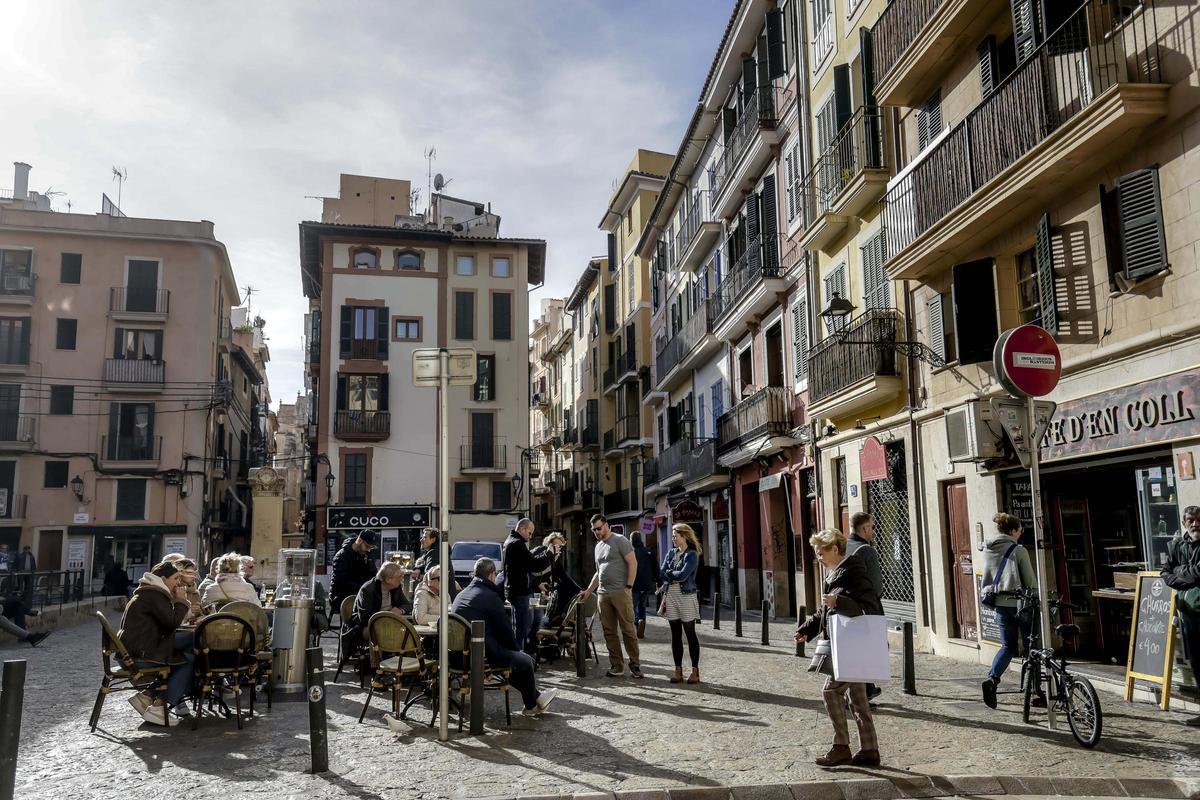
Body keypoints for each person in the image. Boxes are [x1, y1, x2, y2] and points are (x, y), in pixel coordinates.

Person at [795, 528, 884, 767]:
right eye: (816, 553)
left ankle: (841, 746)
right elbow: (825, 611)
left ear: (835, 549)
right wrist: (806, 629)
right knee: (857, 698)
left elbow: (868, 607)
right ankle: (869, 750)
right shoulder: (833, 574)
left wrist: (839, 601)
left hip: (852, 645)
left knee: (830, 691)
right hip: (845, 644)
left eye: (821, 552)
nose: (818, 558)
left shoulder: (854, 572)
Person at [448, 557, 557, 718]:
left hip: (458, 655)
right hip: (480, 655)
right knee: (525, 662)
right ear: (492, 575)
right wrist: (516, 650)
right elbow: (505, 629)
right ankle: (532, 704)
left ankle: (537, 698)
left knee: (514, 664)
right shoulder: (490, 596)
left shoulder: (463, 593)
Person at [119, 561, 194, 725]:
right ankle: (159, 705)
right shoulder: (154, 594)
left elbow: (166, 624)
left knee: (190, 654)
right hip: (142, 652)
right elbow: (172, 622)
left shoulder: (150, 592)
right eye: (175, 578)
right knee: (192, 656)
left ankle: (149, 695)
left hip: (139, 647)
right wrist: (181, 600)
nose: (177, 582)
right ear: (163, 578)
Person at [980, 512, 1039, 710]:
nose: (1021, 534)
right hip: (1021, 605)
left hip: (1000, 604)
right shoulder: (1018, 550)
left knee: (1008, 646)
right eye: (1020, 530)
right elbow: (1030, 581)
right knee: (1033, 648)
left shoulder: (988, 548)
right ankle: (1037, 692)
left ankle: (992, 679)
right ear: (1013, 531)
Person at [579, 514, 641, 679]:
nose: (597, 532)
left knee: (628, 629)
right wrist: (589, 590)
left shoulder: (620, 540)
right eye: (594, 530)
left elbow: (633, 562)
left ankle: (635, 665)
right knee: (609, 632)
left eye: (599, 528)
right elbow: (598, 572)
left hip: (621, 592)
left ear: (606, 525)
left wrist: (628, 587)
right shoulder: (598, 546)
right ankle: (617, 666)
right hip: (603, 594)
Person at [1163, 505, 1200, 727]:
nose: (1195, 524)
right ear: (1184, 523)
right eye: (1190, 520)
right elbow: (1165, 573)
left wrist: (1180, 572)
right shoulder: (1178, 545)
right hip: (1188, 615)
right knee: (1197, 663)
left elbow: (1198, 573)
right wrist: (1184, 574)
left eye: (1198, 520)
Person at [847, 512, 884, 702]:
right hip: (865, 607)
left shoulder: (842, 547)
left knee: (852, 649)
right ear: (864, 528)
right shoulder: (866, 550)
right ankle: (864, 692)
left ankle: (865, 689)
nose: (874, 530)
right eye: (873, 526)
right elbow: (877, 585)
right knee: (868, 648)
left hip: (844, 606)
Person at [660, 524, 702, 684]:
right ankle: (678, 671)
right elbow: (661, 572)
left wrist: (670, 573)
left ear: (684, 536)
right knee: (675, 634)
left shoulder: (692, 555)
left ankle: (695, 671)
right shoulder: (671, 553)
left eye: (675, 536)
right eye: (672, 536)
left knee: (690, 633)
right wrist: (670, 574)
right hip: (671, 596)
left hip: (686, 597)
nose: (672, 539)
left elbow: (684, 575)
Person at [503, 518, 552, 651]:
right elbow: (534, 565)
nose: (530, 536)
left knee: (521, 627)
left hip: (516, 591)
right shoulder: (517, 544)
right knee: (521, 628)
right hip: (519, 592)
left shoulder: (511, 541)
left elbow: (529, 563)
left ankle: (520, 656)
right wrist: (549, 554)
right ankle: (519, 659)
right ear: (523, 529)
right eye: (529, 533)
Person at [330, 530, 378, 615]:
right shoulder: (341, 556)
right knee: (362, 605)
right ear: (359, 541)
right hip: (341, 595)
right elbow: (341, 582)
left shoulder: (366, 554)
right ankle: (357, 627)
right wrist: (364, 587)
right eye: (367, 547)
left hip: (361, 592)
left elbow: (373, 574)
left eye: (371, 548)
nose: (369, 550)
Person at [541, 532, 580, 628]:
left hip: (550, 592)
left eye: (560, 547)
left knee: (565, 589)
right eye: (556, 546)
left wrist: (579, 591)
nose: (558, 549)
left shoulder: (557, 559)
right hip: (538, 592)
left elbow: (564, 576)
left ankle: (562, 622)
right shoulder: (544, 555)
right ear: (549, 545)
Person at [630, 530, 659, 639]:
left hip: (634, 584)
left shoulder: (631, 553)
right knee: (642, 606)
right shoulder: (649, 552)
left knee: (632, 607)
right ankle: (642, 623)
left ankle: (636, 622)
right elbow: (656, 568)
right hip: (647, 584)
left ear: (631, 541)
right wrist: (659, 582)